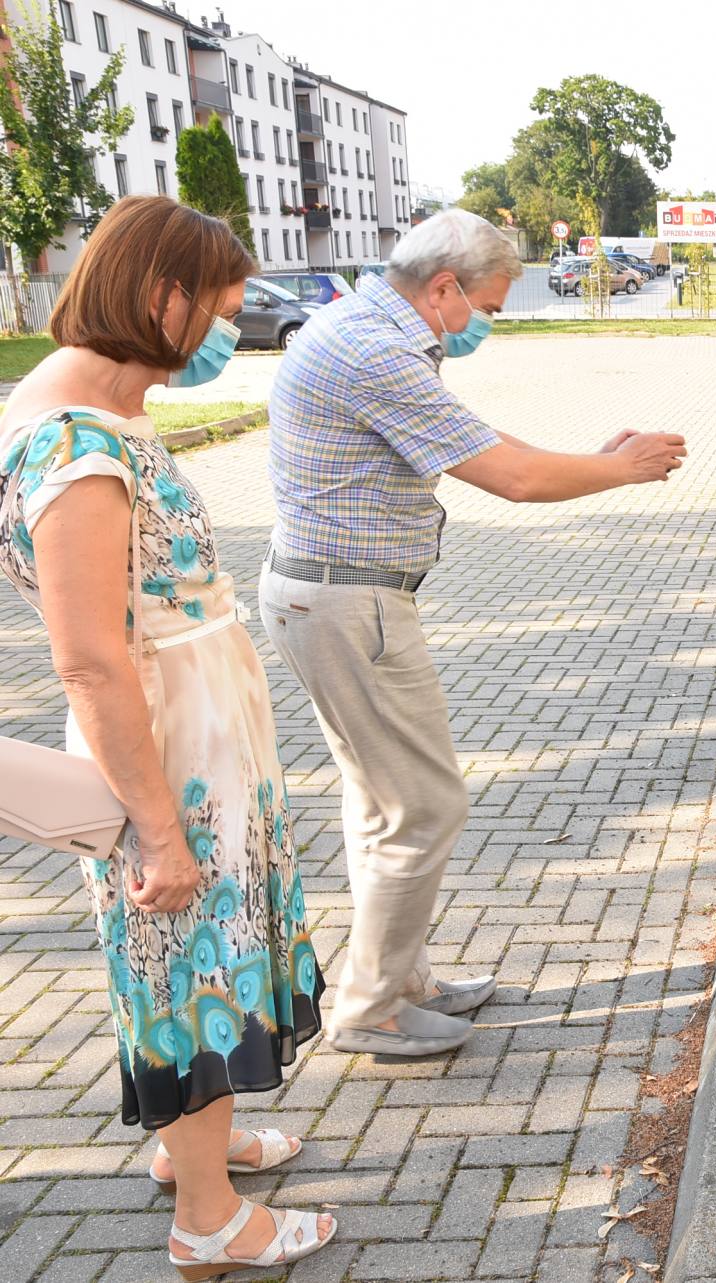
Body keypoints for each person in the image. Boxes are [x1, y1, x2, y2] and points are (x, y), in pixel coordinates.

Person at [0, 197, 335, 1276]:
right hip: (170, 762)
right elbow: (92, 656)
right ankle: (209, 1217)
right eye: (219, 315)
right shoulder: (75, 444)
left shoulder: (104, 408)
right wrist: (159, 830)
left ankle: (202, 1149)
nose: (219, 338)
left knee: (205, 966)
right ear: (161, 296)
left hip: (202, 744)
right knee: (193, 967)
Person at [261, 210, 686, 1057]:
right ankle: (372, 1007)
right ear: (444, 286)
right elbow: (515, 479)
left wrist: (592, 457)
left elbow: (485, 446)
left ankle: (400, 975)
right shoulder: (377, 351)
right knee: (424, 805)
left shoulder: (363, 326)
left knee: (386, 802)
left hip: (335, 600)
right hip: (350, 608)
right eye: (485, 304)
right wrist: (621, 469)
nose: (484, 321)